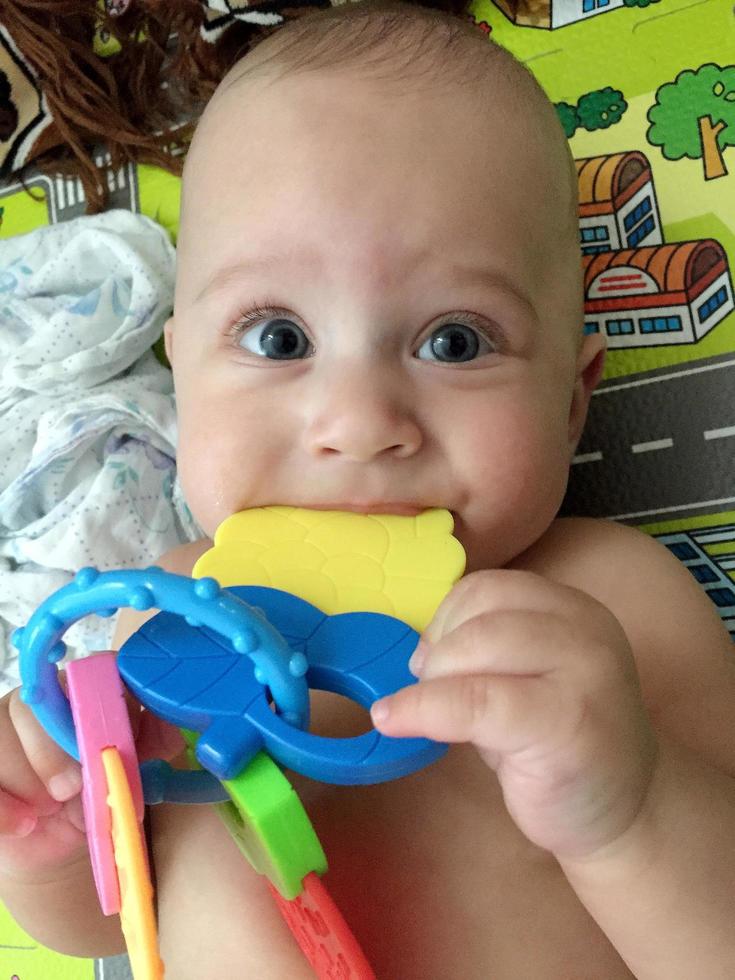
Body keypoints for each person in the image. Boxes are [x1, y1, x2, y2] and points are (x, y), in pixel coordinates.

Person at [1, 2, 734, 977]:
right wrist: (48, 841)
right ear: (181, 378)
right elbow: (116, 915)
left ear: (569, 402)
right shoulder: (165, 621)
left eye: (455, 340)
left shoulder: (609, 604)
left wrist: (630, 807)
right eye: (279, 338)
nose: (358, 419)